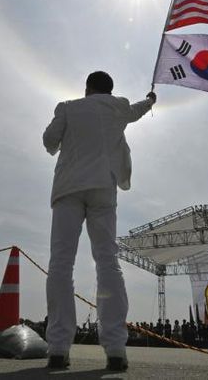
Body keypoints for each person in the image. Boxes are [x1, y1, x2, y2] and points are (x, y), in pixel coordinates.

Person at [42, 71, 155, 371]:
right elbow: (138, 111)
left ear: (87, 88)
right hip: (103, 188)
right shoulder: (118, 106)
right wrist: (151, 99)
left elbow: (49, 141)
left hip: (68, 189)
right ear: (109, 89)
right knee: (107, 262)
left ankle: (58, 347)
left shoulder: (67, 107)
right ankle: (116, 348)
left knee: (60, 264)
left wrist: (62, 139)